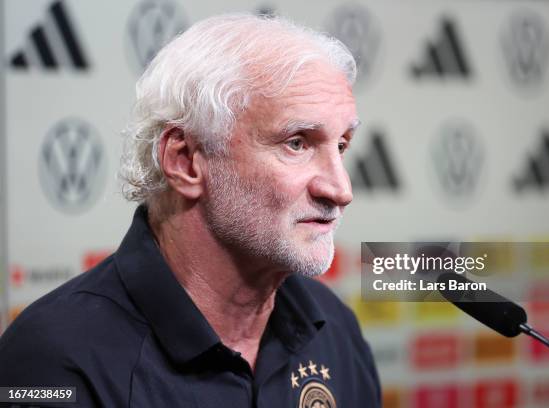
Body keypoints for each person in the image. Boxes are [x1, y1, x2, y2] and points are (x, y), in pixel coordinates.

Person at [0, 13, 380, 408]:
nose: (341, 190)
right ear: (184, 161)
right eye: (297, 143)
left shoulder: (335, 328)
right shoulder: (55, 360)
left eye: (341, 146)